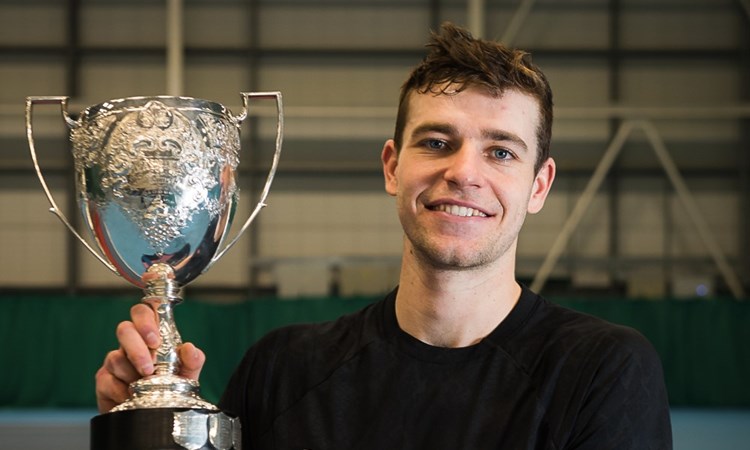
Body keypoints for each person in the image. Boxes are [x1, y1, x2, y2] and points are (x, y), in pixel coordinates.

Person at [96, 23, 673, 449]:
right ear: (393, 167)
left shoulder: (603, 369)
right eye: (437, 142)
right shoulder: (282, 368)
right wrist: (156, 433)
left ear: (539, 185)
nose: (464, 172)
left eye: (501, 151)